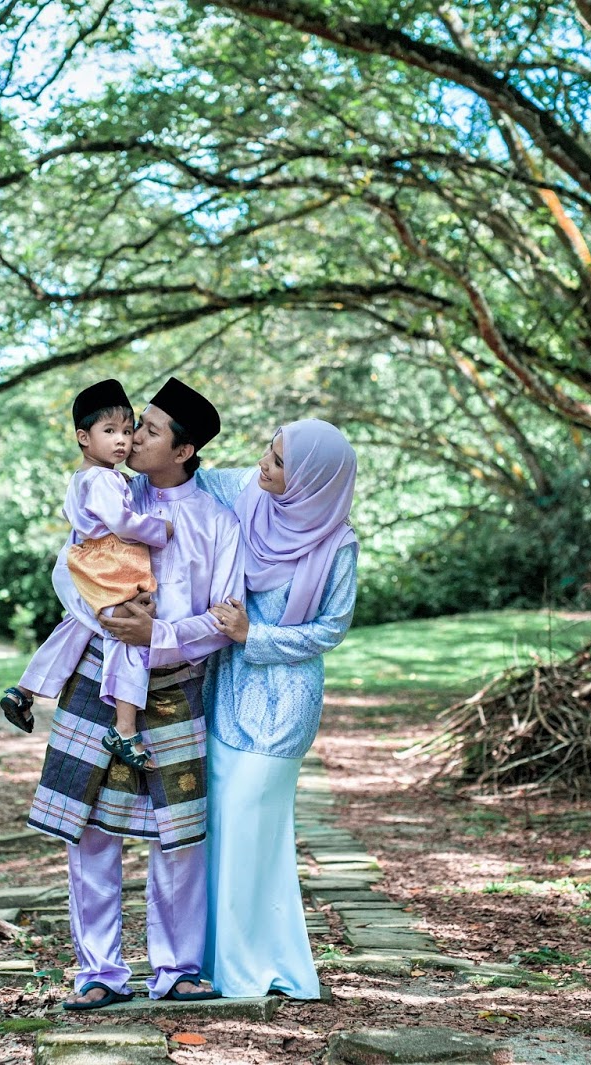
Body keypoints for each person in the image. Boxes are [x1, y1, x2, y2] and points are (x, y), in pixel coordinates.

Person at [25, 376, 242, 1009]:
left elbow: (226, 621)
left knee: (177, 835)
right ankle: (99, 973)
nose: (131, 436)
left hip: (175, 686)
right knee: (91, 829)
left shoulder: (217, 525)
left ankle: (176, 970)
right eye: (128, 426)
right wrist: (110, 621)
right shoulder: (107, 493)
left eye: (147, 429)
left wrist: (161, 633)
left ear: (183, 450)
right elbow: (69, 571)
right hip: (99, 674)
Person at [194, 419, 359, 1001]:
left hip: (283, 706)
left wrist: (251, 634)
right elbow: (180, 478)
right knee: (221, 832)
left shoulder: (338, 543)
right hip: (224, 696)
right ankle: (221, 967)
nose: (264, 464)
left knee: (254, 832)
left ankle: (252, 973)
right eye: (269, 450)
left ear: (312, 479)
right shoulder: (243, 492)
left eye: (281, 462)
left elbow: (330, 630)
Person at [1, 379, 174, 770]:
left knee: (75, 627)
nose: (122, 441)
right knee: (128, 633)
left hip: (82, 565)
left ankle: (24, 691)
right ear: (84, 437)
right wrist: (158, 529)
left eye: (128, 432)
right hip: (100, 568)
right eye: (109, 431)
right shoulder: (102, 480)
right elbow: (121, 522)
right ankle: (124, 730)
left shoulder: (89, 477)